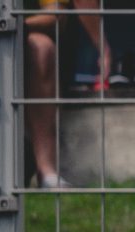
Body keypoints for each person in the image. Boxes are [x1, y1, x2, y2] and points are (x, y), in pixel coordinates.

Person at [25, 0, 107, 192]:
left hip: (10, 39)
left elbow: (57, 13)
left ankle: (47, 174)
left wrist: (14, 25)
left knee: (42, 48)